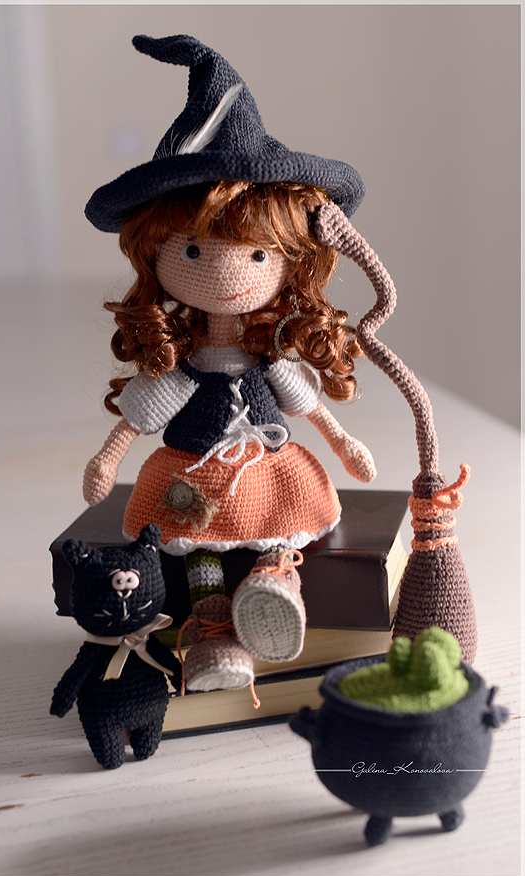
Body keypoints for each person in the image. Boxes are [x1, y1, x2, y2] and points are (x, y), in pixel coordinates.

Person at [82, 34, 376, 694]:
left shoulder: (268, 360)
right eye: (192, 250)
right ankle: (213, 630)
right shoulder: (183, 367)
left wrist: (343, 442)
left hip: (266, 469)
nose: (225, 271)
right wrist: (108, 458)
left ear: (290, 260)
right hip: (194, 473)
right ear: (154, 253)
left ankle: (276, 585)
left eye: (258, 254)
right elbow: (144, 410)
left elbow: (306, 402)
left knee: (277, 528)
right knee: (198, 549)